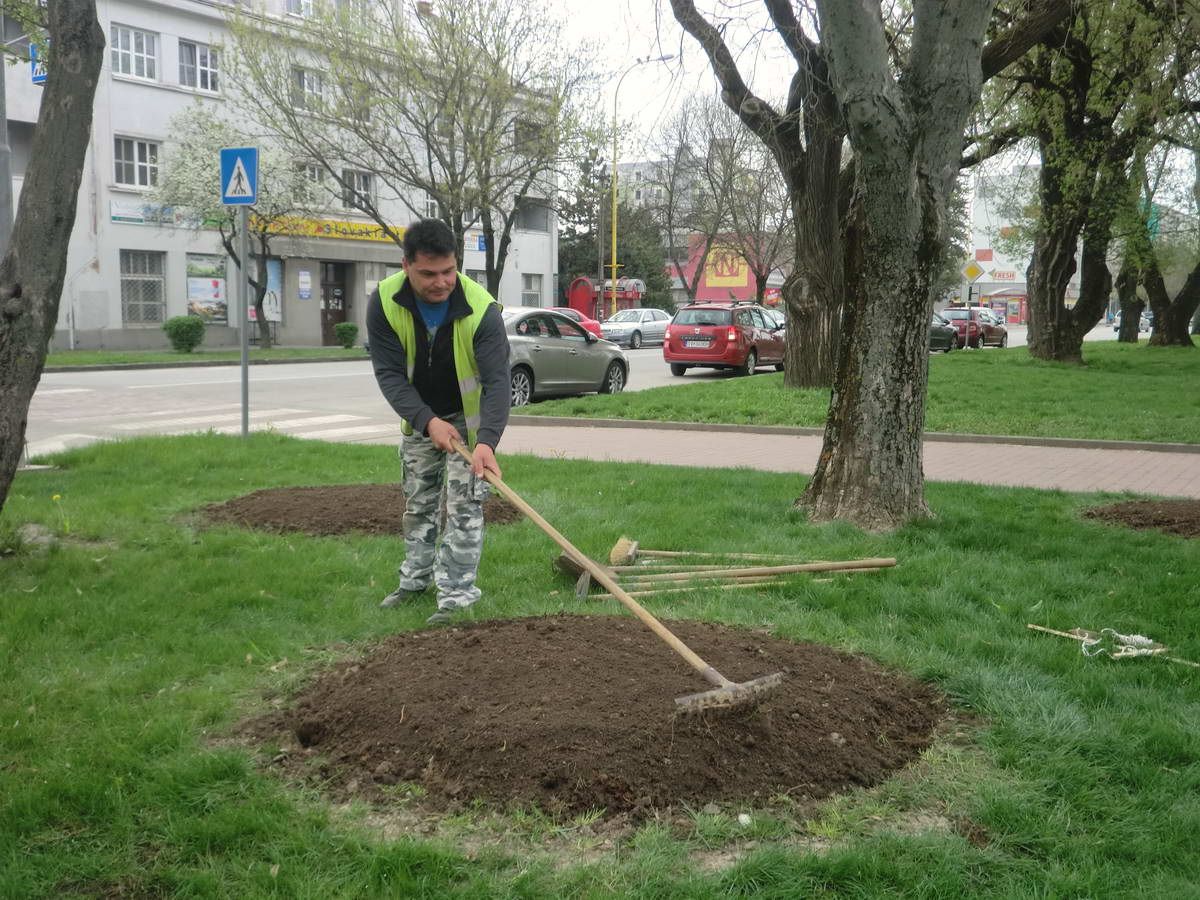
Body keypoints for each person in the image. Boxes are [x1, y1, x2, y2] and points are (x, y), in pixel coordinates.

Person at [366, 219, 510, 624]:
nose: (441, 282)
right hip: (419, 417)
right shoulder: (384, 301)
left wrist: (487, 442)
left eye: (449, 271)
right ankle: (414, 582)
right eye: (429, 274)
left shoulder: (482, 309)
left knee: (465, 508)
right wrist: (427, 421)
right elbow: (390, 375)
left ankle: (457, 597)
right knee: (419, 503)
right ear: (406, 265)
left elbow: (498, 382)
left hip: (468, 422)